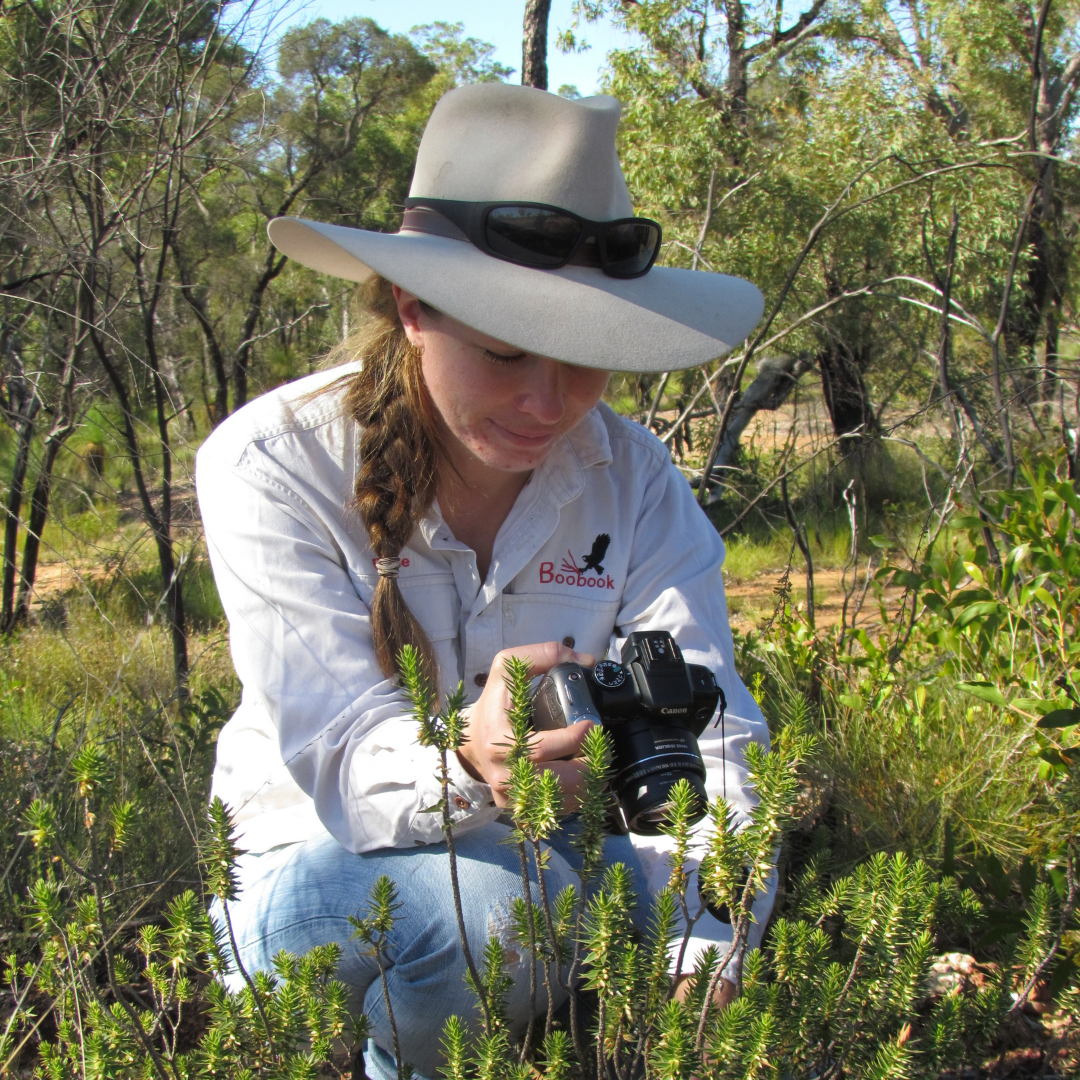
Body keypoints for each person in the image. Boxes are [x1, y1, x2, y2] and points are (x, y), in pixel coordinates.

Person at [196, 82, 774, 1080]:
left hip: (563, 871)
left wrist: (708, 924)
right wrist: (467, 762)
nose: (546, 401)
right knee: (485, 921)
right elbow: (336, 760)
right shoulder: (273, 461)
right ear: (414, 310)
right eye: (506, 351)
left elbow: (713, 730)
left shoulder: (631, 482)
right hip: (313, 866)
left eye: (587, 358)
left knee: (558, 906)